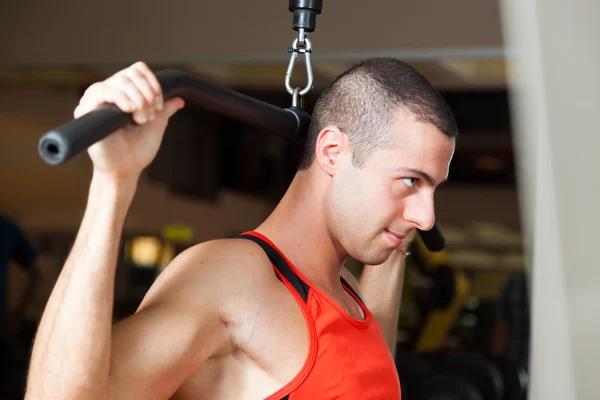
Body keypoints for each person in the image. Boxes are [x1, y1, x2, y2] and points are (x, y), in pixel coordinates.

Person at [25, 58, 457, 400]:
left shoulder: (345, 291)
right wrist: (113, 182)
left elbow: (364, 366)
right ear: (330, 152)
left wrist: (398, 224)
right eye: (410, 181)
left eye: (432, 188)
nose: (427, 217)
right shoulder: (230, 280)